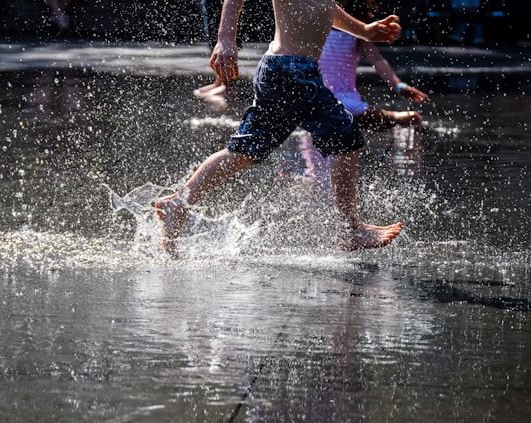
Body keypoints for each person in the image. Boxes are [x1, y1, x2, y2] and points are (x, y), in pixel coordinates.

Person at [155, 0, 404, 258]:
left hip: (284, 70)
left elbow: (324, 8)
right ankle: (350, 228)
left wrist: (364, 30)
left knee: (244, 152)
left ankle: (178, 203)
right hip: (292, 70)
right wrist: (225, 39)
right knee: (346, 136)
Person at [321, 0, 429, 131]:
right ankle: (392, 117)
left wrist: (399, 85)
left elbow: (377, 60)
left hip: (346, 97)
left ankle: (390, 117)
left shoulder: (357, 32)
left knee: (344, 110)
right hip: (318, 95)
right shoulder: (316, 26)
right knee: (325, 110)